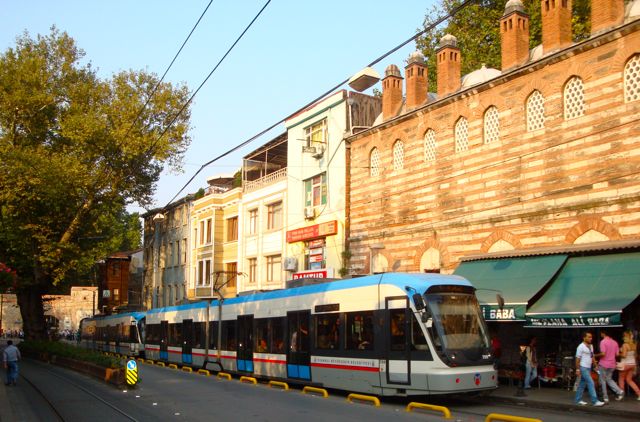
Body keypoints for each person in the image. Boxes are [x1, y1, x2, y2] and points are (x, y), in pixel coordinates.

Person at [575, 331, 605, 406]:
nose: (590, 338)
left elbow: (592, 356)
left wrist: (595, 365)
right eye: (588, 337)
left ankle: (578, 400)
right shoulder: (580, 347)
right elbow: (577, 359)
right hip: (583, 367)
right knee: (591, 382)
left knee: (582, 383)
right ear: (584, 338)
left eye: (591, 337)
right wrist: (577, 369)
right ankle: (594, 401)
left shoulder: (591, 346)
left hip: (588, 367)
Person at [595, 329, 624, 402]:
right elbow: (617, 354)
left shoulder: (603, 342)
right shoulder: (615, 342)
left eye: (601, 333)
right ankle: (619, 391)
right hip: (612, 364)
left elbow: (603, 354)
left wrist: (594, 355)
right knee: (609, 379)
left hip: (604, 364)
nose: (601, 334)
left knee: (603, 380)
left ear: (603, 333)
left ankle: (605, 397)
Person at [617, 330, 640, 400]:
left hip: (625, 364)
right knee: (629, 380)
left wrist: (618, 354)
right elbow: (635, 356)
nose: (623, 338)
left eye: (624, 336)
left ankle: (621, 395)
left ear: (626, 337)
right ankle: (639, 393)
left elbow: (624, 355)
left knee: (621, 379)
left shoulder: (625, 345)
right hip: (632, 364)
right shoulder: (634, 345)